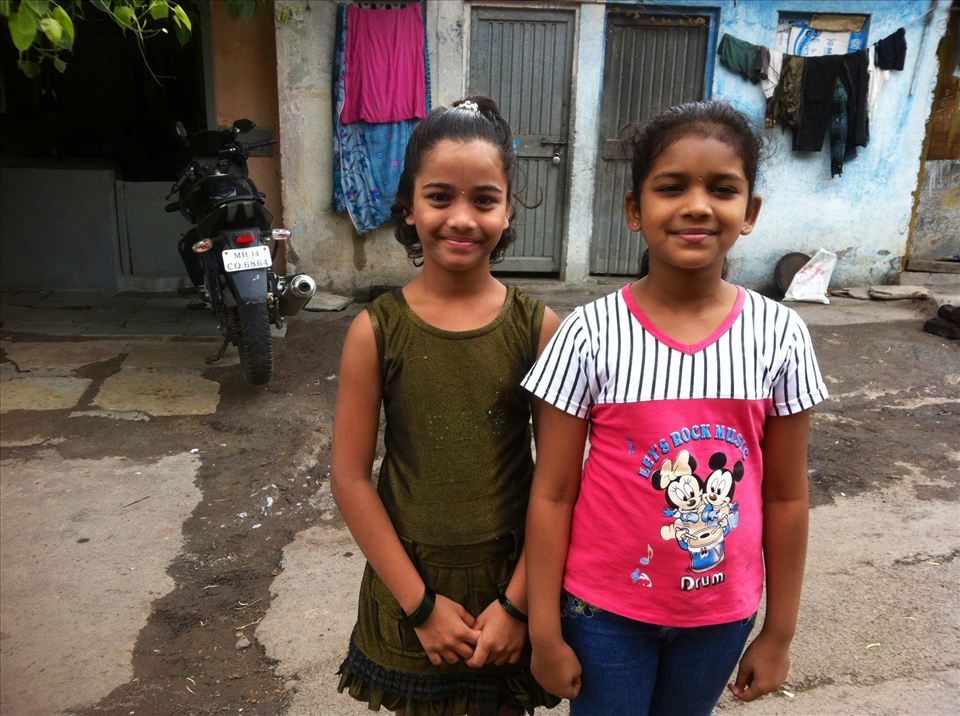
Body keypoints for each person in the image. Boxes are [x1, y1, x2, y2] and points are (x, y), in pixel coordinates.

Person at [522, 101, 828, 716]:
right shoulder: (588, 334)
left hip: (721, 613)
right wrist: (544, 631)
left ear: (751, 212)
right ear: (635, 211)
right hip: (603, 610)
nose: (696, 205)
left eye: (722, 188)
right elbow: (553, 492)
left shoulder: (781, 335)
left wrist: (779, 631)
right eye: (671, 187)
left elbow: (787, 497)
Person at [332, 95, 561, 716]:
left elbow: (561, 480)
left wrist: (519, 605)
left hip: (511, 581)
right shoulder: (376, 331)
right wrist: (421, 607)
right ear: (408, 207)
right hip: (410, 582)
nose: (462, 218)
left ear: (509, 209)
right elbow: (351, 479)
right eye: (440, 197)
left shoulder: (537, 328)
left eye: (484, 199)